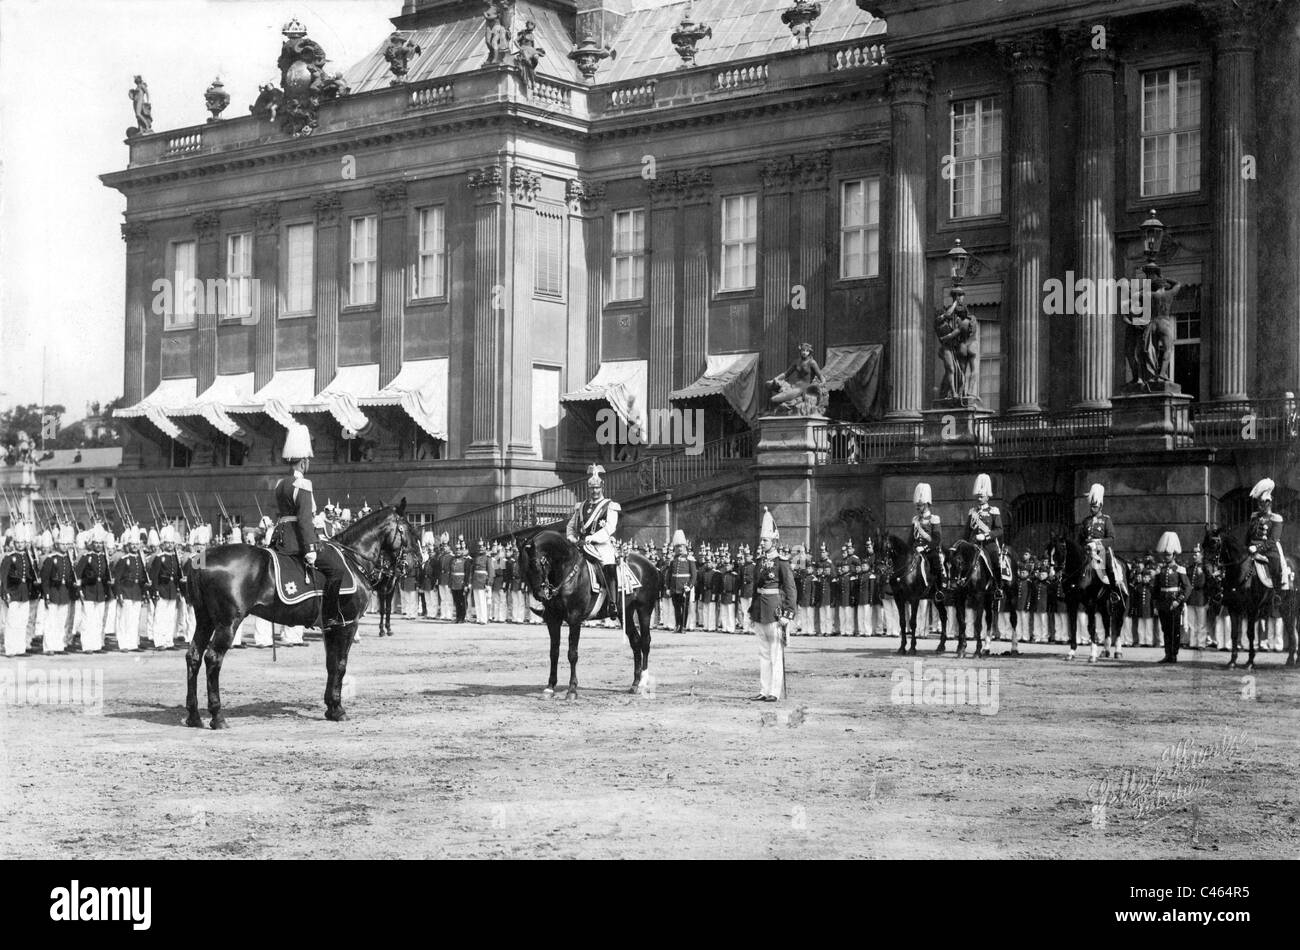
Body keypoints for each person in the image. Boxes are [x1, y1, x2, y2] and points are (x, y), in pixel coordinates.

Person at [269, 423, 346, 632]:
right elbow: (303, 520)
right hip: (296, 540)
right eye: (308, 461)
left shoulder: (280, 484)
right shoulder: (303, 484)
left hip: (281, 537)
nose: (308, 464)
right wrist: (310, 548)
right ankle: (328, 616)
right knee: (336, 570)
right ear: (303, 462)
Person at [748, 508, 796, 702]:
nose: (762, 543)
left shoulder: (782, 562)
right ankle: (764, 689)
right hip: (760, 611)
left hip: (775, 612)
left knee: (776, 654)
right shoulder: (759, 562)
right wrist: (752, 612)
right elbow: (755, 589)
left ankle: (775, 691)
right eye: (762, 540)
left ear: (774, 542)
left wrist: (788, 613)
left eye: (765, 540)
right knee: (763, 654)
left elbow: (791, 590)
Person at [565, 464, 622, 623]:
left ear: (602, 487)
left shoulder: (609, 505)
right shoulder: (581, 506)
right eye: (592, 488)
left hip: (601, 545)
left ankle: (612, 603)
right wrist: (571, 536)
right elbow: (571, 525)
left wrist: (593, 538)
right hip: (582, 544)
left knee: (609, 565)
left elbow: (610, 527)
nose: (594, 491)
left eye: (597, 488)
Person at [1080, 483, 1127, 598]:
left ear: (1100, 506)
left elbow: (1111, 539)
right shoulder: (1086, 521)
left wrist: (1096, 543)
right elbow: (1080, 537)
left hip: (1102, 551)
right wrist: (1085, 544)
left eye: (1095, 506)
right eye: (1091, 506)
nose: (1092, 509)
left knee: (1110, 568)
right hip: (1087, 551)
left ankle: (1113, 591)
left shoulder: (1106, 520)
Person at [1153, 532, 1191, 663]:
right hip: (1163, 603)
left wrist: (1178, 601)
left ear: (1174, 555)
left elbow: (1187, 587)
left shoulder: (1180, 569)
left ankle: (1174, 654)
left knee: (1174, 630)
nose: (1166, 557)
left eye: (1168, 555)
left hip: (1174, 603)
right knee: (1165, 629)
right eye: (1165, 554)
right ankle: (1167, 653)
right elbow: (1156, 588)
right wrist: (1156, 603)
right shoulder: (1161, 569)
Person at [1, 521, 38, 656]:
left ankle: (20, 648)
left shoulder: (27, 557)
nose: (20, 544)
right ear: (14, 543)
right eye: (18, 542)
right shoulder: (9, 558)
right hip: (13, 592)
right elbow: (3, 577)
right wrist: (5, 593)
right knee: (12, 622)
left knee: (23, 621)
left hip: (24, 593)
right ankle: (10, 649)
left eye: (22, 542)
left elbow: (29, 575)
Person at [1246, 478, 1286, 594]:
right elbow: (1248, 535)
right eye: (1259, 502)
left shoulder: (1276, 519)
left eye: (1263, 503)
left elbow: (1273, 540)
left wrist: (1257, 548)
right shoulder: (1254, 517)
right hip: (1251, 550)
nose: (1260, 505)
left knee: (1275, 567)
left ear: (1269, 503)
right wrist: (1246, 547)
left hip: (1269, 550)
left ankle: (1277, 594)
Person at [40, 524, 76, 654]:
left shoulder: (68, 560)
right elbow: (45, 579)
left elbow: (71, 577)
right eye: (62, 544)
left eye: (67, 544)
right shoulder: (51, 559)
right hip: (54, 592)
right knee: (51, 621)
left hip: (64, 593)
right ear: (57, 544)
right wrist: (47, 594)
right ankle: (49, 647)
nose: (65, 547)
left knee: (61, 621)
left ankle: (59, 646)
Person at [148, 524, 183, 650]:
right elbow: (154, 577)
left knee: (170, 618)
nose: (170, 545)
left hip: (172, 590)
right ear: (163, 544)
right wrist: (155, 591)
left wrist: (180, 589)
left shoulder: (175, 558)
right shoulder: (159, 558)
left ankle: (169, 641)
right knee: (160, 617)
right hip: (162, 589)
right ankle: (159, 641)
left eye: (172, 543)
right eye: (167, 543)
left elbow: (178, 575)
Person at [911, 482, 946, 591]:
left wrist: (925, 548)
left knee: (935, 564)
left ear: (926, 504)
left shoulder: (934, 519)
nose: (917, 507)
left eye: (919, 505)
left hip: (929, 550)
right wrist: (912, 548)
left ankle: (938, 590)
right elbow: (910, 539)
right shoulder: (915, 520)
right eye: (917, 504)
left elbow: (936, 539)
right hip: (916, 550)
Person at [664, 530, 695, 634]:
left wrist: (689, 586)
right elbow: (669, 575)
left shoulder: (689, 558)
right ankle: (677, 625)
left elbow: (694, 575)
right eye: (678, 547)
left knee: (684, 608)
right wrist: (668, 587)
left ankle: (683, 626)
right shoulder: (673, 560)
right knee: (676, 607)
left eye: (681, 546)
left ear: (685, 547)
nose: (680, 549)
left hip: (684, 586)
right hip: (674, 587)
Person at [449, 538, 469, 623]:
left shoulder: (465, 561)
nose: (457, 551)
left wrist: (466, 584)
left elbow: (467, 574)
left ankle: (462, 617)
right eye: (456, 550)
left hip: (461, 584)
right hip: (454, 584)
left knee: (462, 602)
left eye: (459, 550)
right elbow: (451, 572)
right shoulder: (452, 560)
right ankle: (458, 617)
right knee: (456, 602)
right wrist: (450, 584)